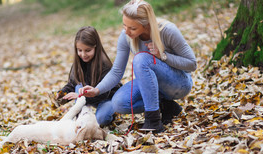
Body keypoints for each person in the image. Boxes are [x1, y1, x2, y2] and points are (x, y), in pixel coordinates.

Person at [79, 0, 197, 133]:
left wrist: (163, 56)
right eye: (124, 26)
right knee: (119, 103)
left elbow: (192, 64)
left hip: (179, 83)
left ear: (146, 24)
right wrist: (96, 90)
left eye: (132, 28)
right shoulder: (126, 36)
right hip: (152, 83)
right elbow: (117, 71)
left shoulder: (167, 31)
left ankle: (153, 121)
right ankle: (165, 106)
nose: (127, 32)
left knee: (141, 58)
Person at [56, 26, 121, 126]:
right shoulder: (79, 62)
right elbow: (72, 84)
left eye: (88, 50)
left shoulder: (104, 64)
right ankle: (81, 116)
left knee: (102, 119)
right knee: (78, 87)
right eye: (80, 50)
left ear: (96, 47)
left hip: (107, 97)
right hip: (88, 97)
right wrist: (62, 93)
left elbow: (105, 92)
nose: (83, 54)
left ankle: (111, 112)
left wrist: (80, 96)